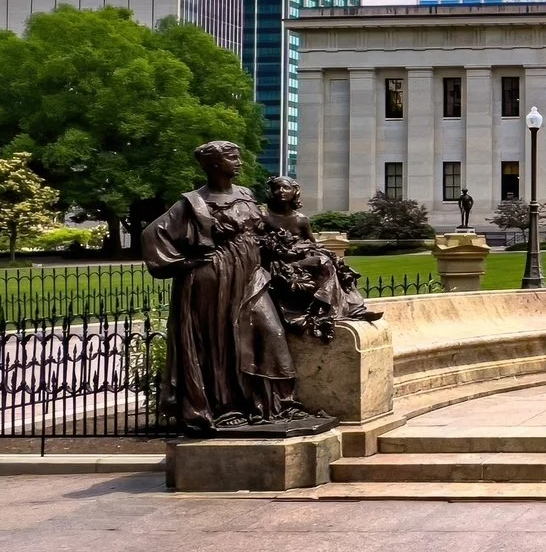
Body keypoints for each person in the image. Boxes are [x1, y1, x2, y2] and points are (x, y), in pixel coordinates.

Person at [137, 141, 306, 433]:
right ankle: (225, 407)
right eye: (232, 158)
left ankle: (274, 404)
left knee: (270, 332)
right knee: (221, 342)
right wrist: (186, 262)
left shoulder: (246, 194)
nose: (239, 162)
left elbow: (263, 231)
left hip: (252, 275)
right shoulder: (193, 202)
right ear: (214, 164)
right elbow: (153, 234)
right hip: (214, 278)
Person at [259, 175, 378, 341]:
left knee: (331, 263)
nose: (281, 191)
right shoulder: (263, 215)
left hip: (299, 259)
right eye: (277, 188)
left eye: (286, 187)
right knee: (324, 262)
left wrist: (311, 250)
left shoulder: (301, 219)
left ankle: (353, 308)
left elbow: (313, 243)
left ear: (295, 192)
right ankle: (336, 310)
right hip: (277, 262)